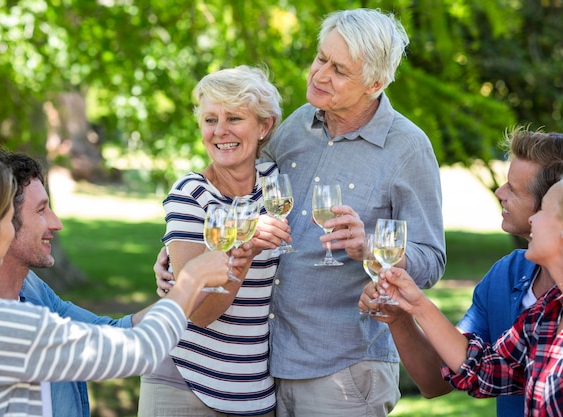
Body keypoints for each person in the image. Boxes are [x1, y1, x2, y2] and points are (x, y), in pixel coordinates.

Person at [157, 9, 446, 417]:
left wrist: (369, 248)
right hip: (265, 368)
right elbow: (237, 186)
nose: (319, 75)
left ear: (375, 84)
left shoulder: (408, 148)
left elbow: (431, 261)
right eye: (320, 58)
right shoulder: (295, 126)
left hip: (342, 370)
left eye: (339, 70)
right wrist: (179, 248)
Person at [0, 151, 229, 417]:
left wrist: (179, 295)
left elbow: (111, 332)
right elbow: (138, 350)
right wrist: (193, 279)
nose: (56, 223)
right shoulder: (1, 326)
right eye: (4, 215)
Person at [359, 128, 563, 417]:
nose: (499, 193)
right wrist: (405, 313)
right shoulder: (524, 296)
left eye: (514, 190)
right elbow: (470, 370)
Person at [138, 65, 283, 416]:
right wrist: (244, 251)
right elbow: (200, 313)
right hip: (185, 383)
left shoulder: (275, 184)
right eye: (209, 120)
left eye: (234, 118)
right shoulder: (189, 195)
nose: (220, 131)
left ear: (264, 127)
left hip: (254, 389)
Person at [0, 149, 154, 417]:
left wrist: (191, 288)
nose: (56, 223)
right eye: (41, 210)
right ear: (1, 224)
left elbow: (115, 334)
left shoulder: (33, 289)